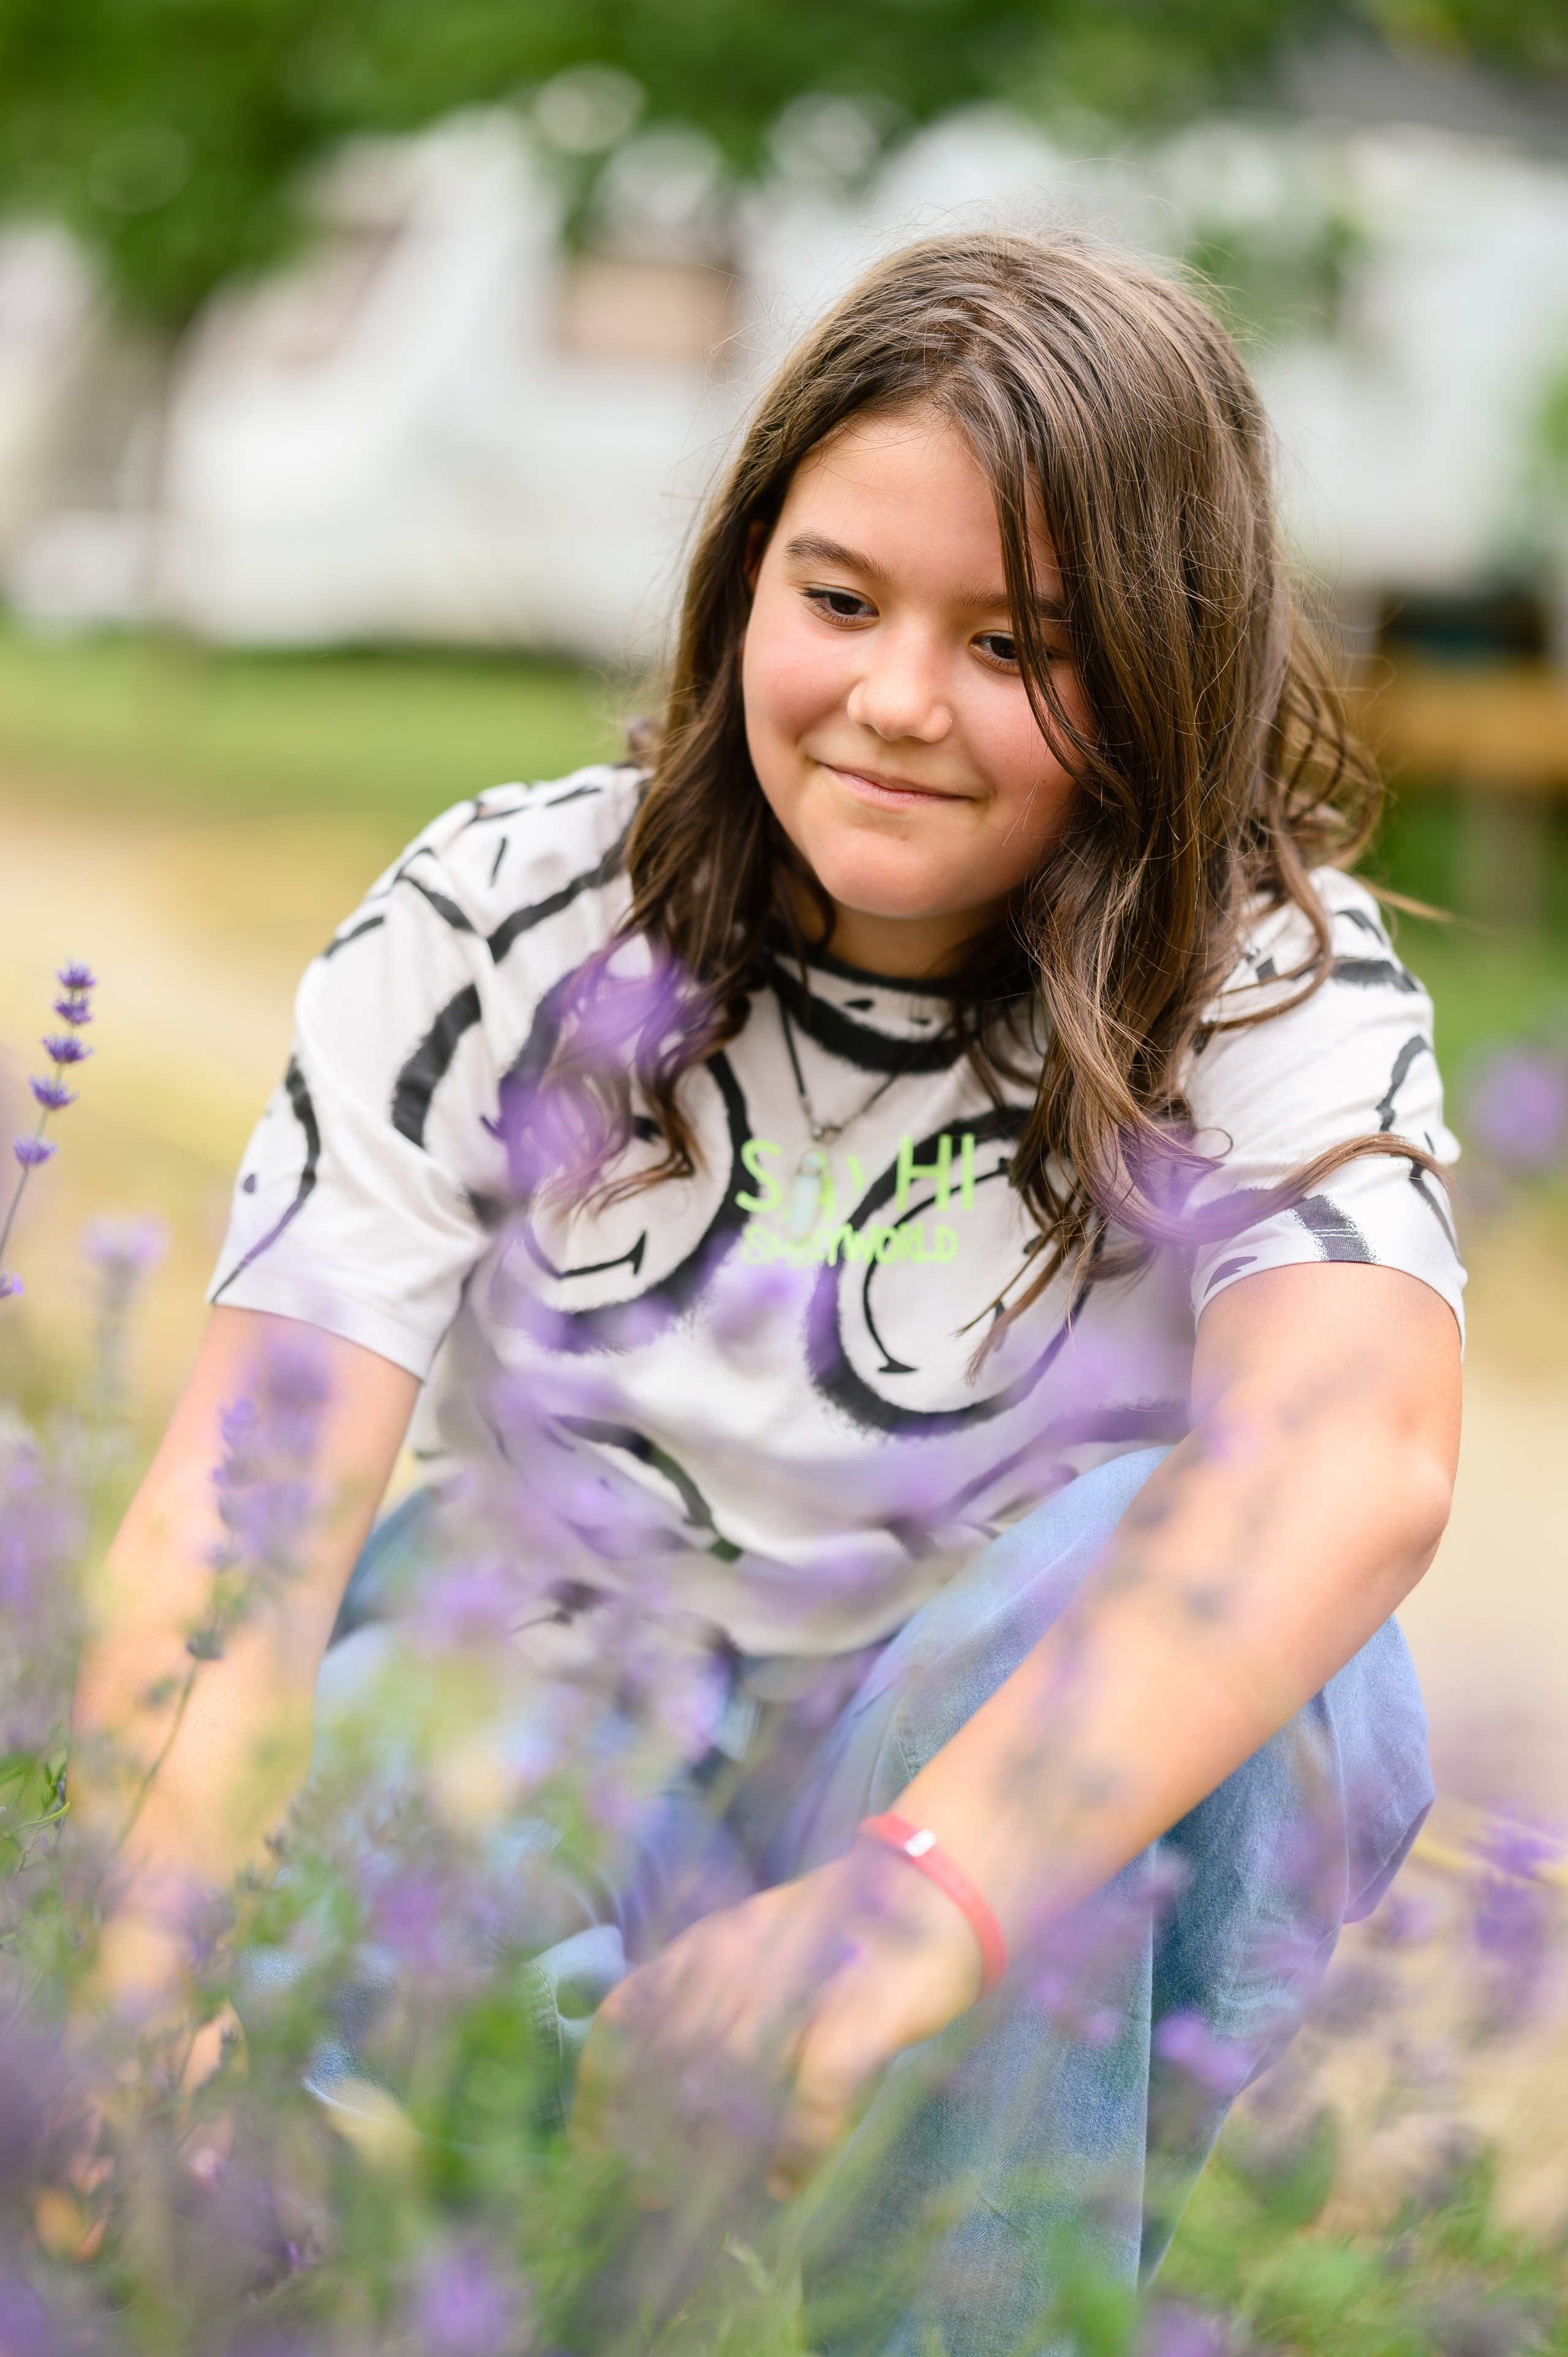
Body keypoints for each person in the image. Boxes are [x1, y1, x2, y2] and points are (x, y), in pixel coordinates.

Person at [72, 232, 1462, 2353]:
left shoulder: (1262, 984)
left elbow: (1357, 1455)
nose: (898, 698)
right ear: (742, 585)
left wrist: (910, 1903)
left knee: (1215, 1604)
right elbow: (248, 1517)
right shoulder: (508, 914)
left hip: (974, 1767)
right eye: (838, 602)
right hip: (554, 1699)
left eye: (1020, 642)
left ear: (1175, 663)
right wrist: (136, 1992)